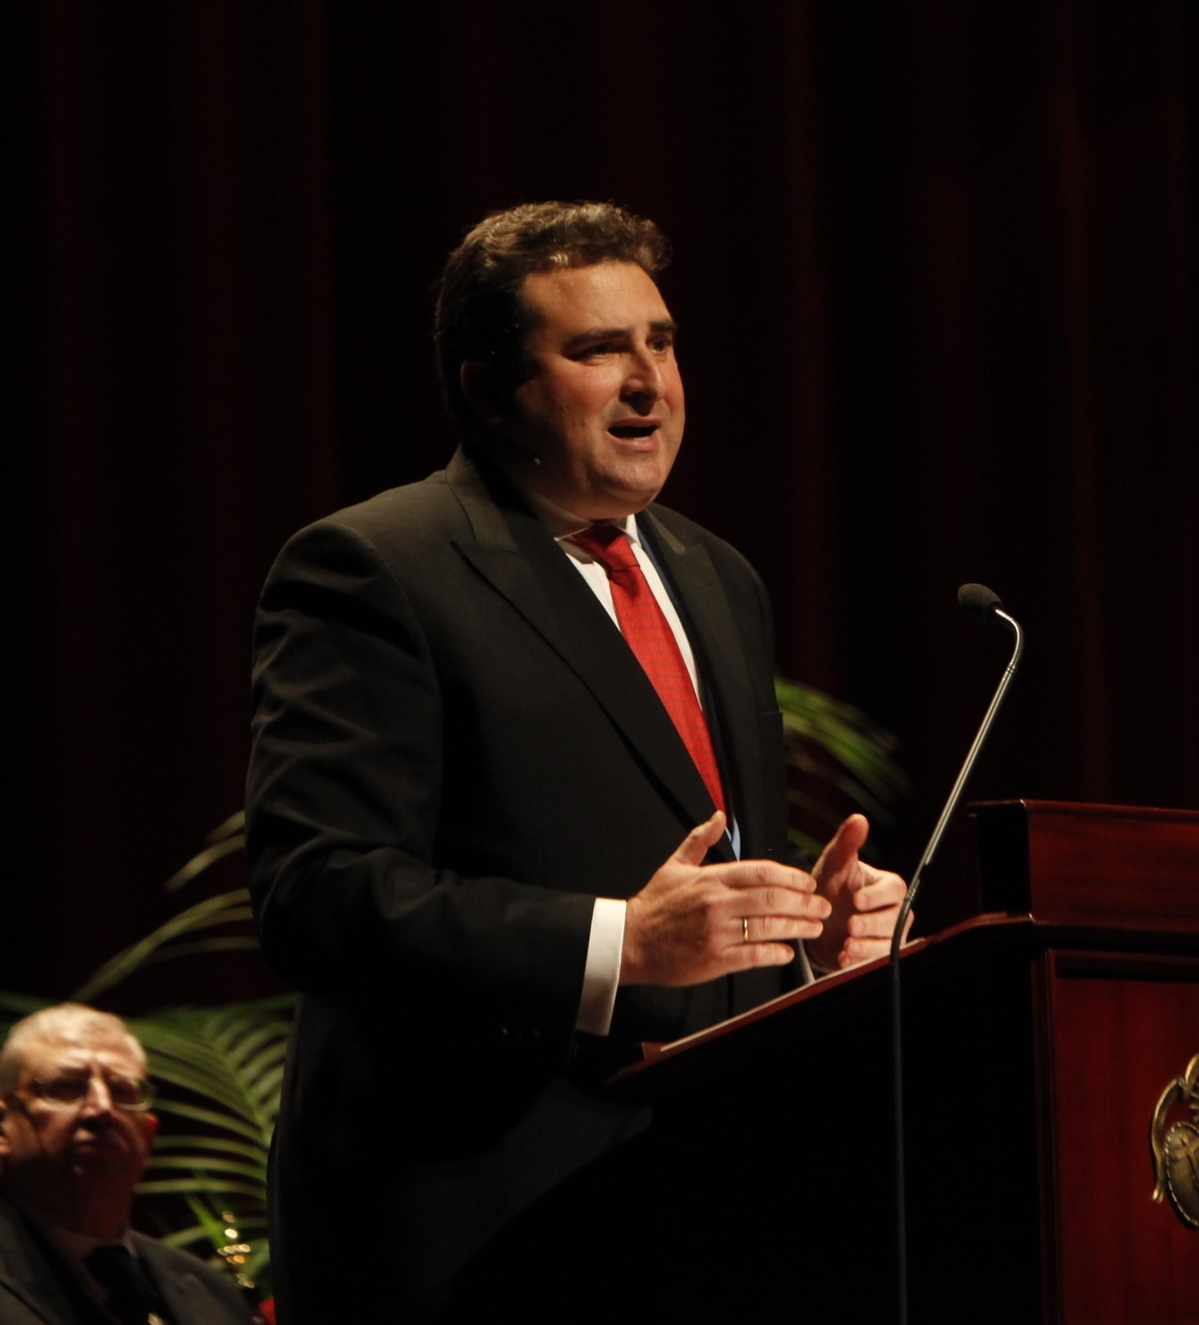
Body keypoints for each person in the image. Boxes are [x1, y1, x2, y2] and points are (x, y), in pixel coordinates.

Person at [245, 201, 909, 1323]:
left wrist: (808, 924)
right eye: (599, 350)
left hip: (700, 1204)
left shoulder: (713, 574)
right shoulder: (375, 566)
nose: (649, 380)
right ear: (491, 385)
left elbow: (684, 852)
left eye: (660, 340)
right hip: (475, 1216)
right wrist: (616, 942)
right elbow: (316, 890)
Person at [0, 1004, 258, 1325]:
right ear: (3, 1127)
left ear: (148, 1134)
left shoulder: (213, 1293)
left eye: (121, 1090)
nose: (102, 1108)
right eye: (66, 1086)